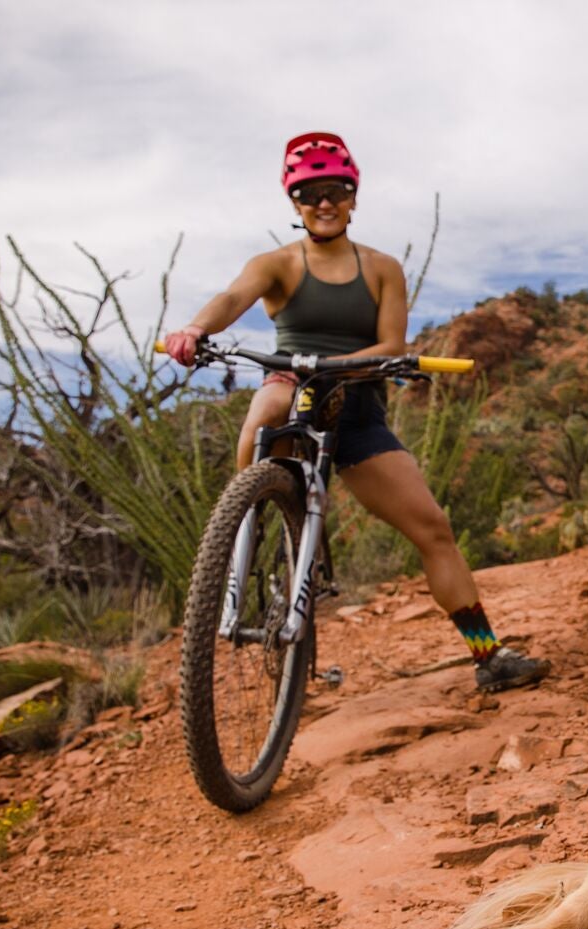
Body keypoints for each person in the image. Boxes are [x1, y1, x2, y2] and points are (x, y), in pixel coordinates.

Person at [164, 132, 549, 694]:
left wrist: (335, 364)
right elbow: (231, 297)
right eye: (310, 193)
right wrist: (197, 328)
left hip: (358, 408)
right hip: (291, 388)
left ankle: (488, 655)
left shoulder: (382, 268)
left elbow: (391, 343)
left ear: (353, 198)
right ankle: (243, 521)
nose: (324, 202)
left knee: (434, 530)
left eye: (336, 191)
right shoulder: (275, 264)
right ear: (294, 204)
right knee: (271, 403)